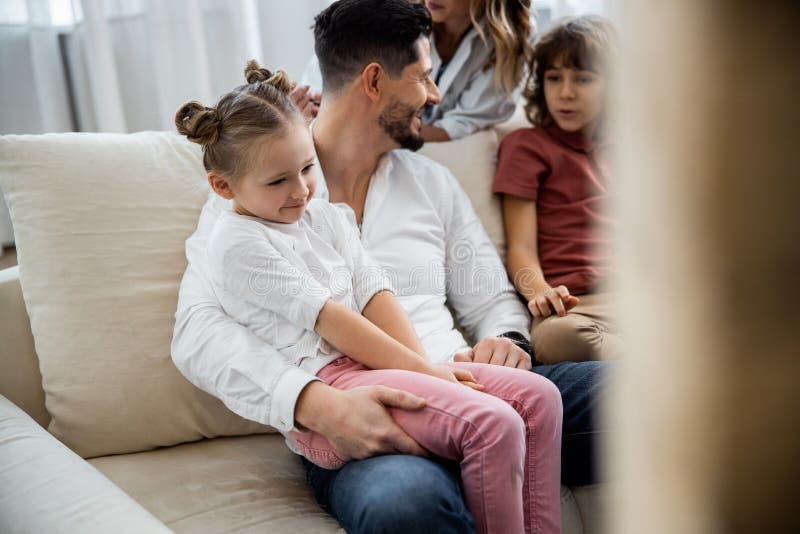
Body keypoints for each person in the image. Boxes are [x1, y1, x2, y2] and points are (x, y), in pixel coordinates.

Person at [172, 1, 609, 532]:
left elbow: (491, 297)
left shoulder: (431, 183)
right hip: (364, 413)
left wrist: (508, 341)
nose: (435, 95)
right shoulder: (250, 198)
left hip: (464, 374)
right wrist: (316, 406)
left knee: (654, 388)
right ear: (374, 82)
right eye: (424, 77)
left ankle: (487, 455)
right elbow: (196, 335)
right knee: (403, 505)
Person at [493, 16, 621, 364]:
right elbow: (520, 249)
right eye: (554, 78)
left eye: (583, 78)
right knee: (556, 340)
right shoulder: (528, 146)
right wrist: (540, 294)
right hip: (573, 307)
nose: (566, 93)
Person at [301, 0, 535, 142]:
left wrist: (377, 128)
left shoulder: (508, 46)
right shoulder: (390, 14)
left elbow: (459, 125)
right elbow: (327, 87)